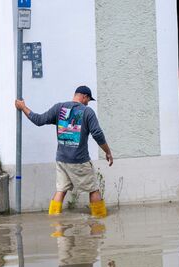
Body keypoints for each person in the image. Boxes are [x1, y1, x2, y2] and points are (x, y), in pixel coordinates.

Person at [15, 85, 113, 217]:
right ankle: (100, 222)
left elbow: (38, 120)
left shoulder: (59, 108)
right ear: (84, 96)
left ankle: (56, 226)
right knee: (93, 189)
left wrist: (23, 107)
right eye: (88, 100)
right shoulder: (87, 112)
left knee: (61, 190)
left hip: (61, 160)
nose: (87, 103)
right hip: (79, 161)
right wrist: (107, 151)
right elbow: (97, 134)